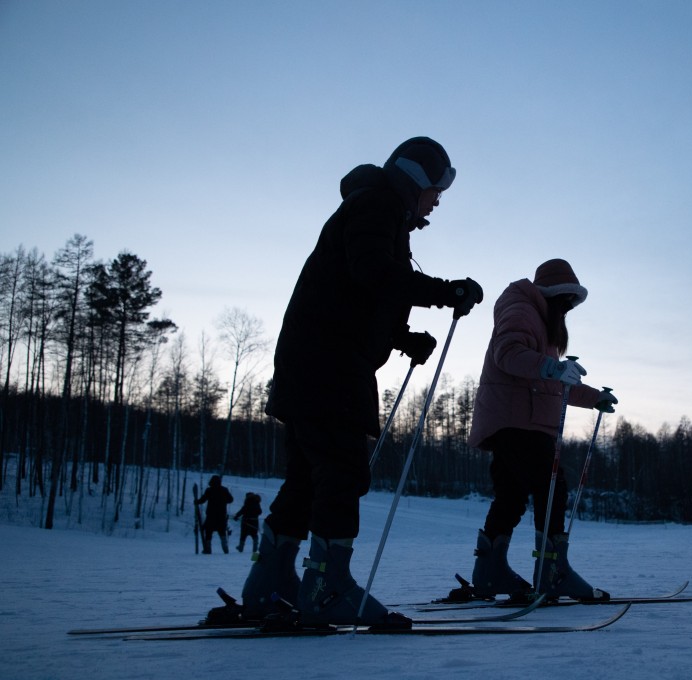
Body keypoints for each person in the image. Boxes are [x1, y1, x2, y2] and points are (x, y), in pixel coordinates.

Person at [237, 137, 483, 629]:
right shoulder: (377, 205)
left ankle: (271, 582)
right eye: (436, 189)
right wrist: (443, 291)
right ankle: (327, 587)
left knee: (310, 476)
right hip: (328, 365)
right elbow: (373, 273)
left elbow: (364, 290)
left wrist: (402, 337)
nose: (438, 201)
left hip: (315, 363)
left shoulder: (381, 213)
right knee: (344, 471)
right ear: (415, 179)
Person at [465, 259, 618, 602]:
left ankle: (490, 573)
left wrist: (593, 397)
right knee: (552, 490)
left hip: (519, 420)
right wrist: (551, 367)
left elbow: (553, 383)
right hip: (518, 420)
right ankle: (551, 573)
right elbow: (509, 354)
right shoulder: (522, 310)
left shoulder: (542, 323)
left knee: (512, 496)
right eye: (564, 304)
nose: (566, 311)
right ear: (551, 295)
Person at [195, 476, 233, 554]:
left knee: (208, 533)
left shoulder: (209, 490)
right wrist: (223, 501)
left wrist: (197, 501)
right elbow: (230, 499)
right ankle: (225, 549)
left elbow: (203, 499)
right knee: (222, 533)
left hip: (211, 515)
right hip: (221, 515)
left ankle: (208, 549)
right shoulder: (224, 490)